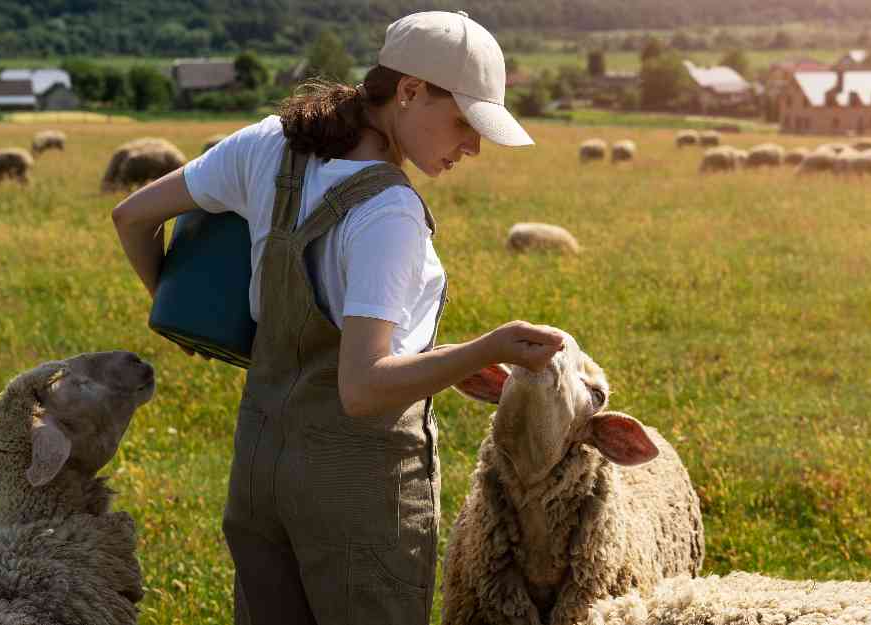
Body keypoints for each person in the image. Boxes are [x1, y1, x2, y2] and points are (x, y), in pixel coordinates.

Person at [112, 10, 564, 625]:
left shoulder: (266, 142)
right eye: (463, 121)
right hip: (356, 493)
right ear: (408, 91)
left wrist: (172, 305)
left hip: (258, 468)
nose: (473, 145)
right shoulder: (390, 214)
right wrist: (492, 347)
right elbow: (363, 387)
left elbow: (133, 216)